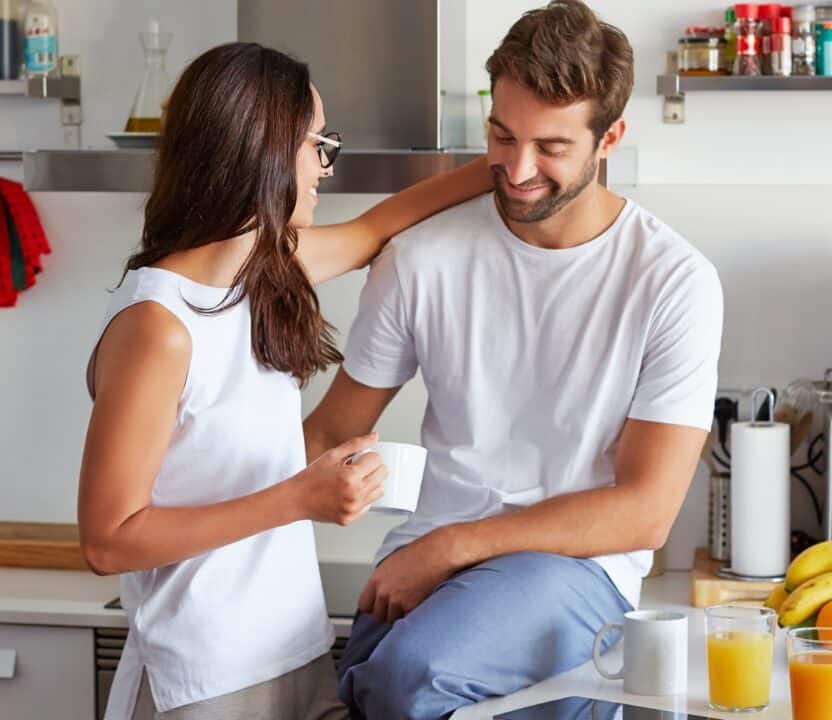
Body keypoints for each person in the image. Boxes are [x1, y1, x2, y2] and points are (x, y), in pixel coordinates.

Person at [303, 2, 724, 718]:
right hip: (425, 572)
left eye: (552, 147)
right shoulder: (422, 259)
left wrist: (454, 547)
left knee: (407, 678)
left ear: (610, 137)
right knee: (384, 676)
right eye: (502, 135)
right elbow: (326, 436)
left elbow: (644, 512)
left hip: (575, 571)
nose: (519, 168)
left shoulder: (672, 281)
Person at [77, 42, 490, 720]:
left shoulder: (259, 274)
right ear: (265, 150)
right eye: (316, 143)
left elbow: (375, 230)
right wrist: (300, 496)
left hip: (293, 654)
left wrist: (503, 166)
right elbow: (107, 539)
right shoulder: (158, 325)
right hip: (206, 680)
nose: (325, 165)